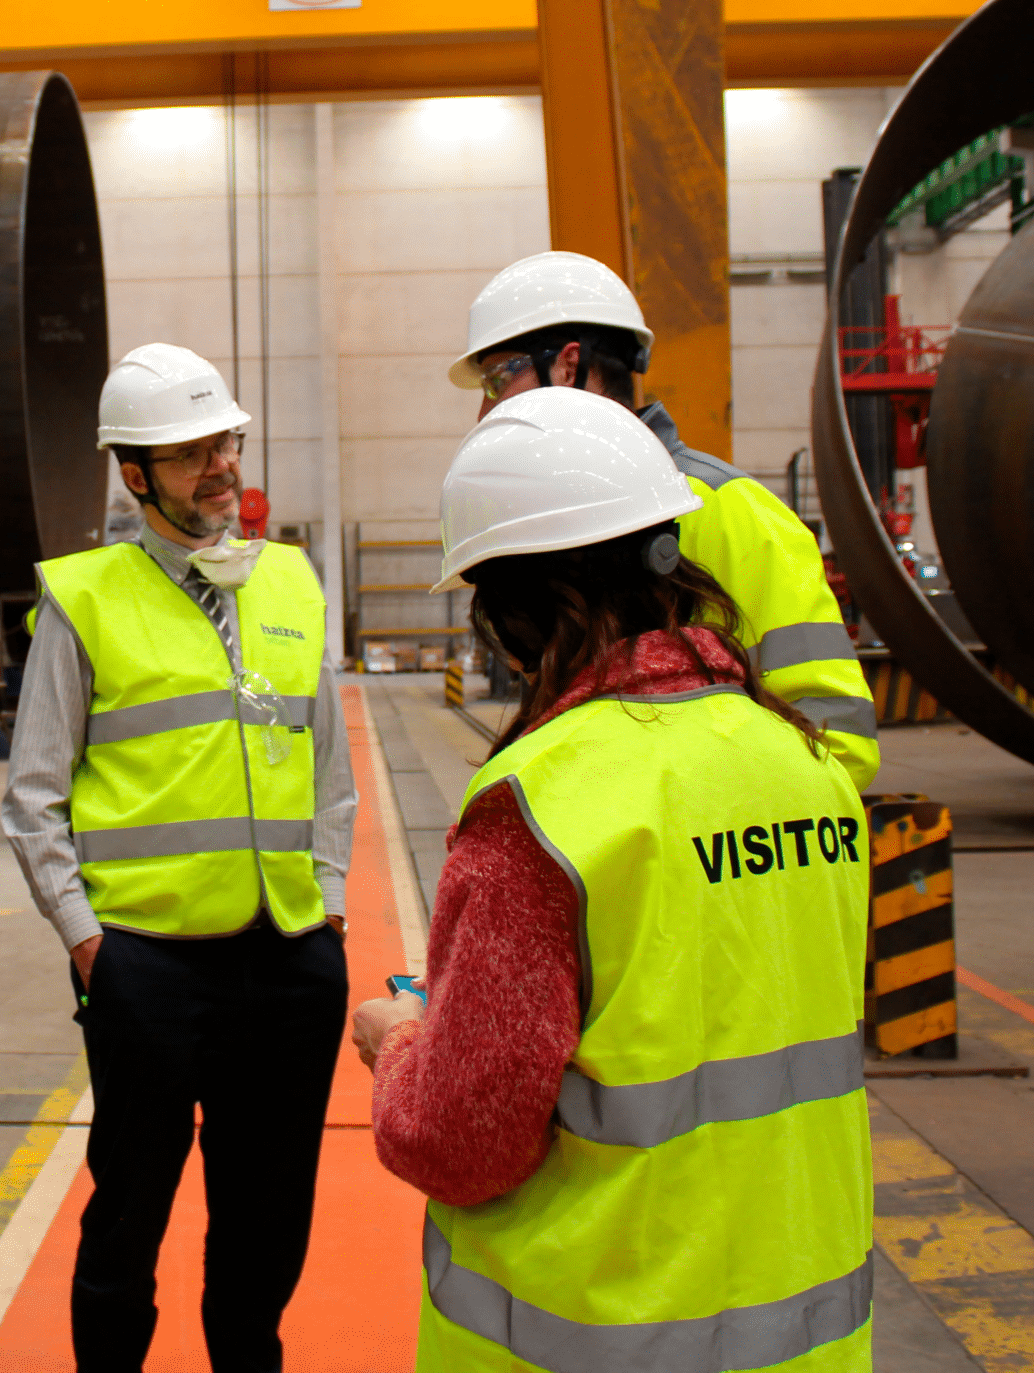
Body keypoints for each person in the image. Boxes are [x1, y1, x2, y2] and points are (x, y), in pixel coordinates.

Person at [351, 385, 874, 1373]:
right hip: (806, 1341)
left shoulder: (539, 807)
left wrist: (403, 1045)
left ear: (516, 603)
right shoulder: (804, 769)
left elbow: (462, 1139)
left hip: (597, 1330)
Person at [1, 342, 356, 1373]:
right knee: (130, 1215)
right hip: (145, 966)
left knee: (267, 1217)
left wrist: (327, 906)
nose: (218, 465)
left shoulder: (290, 583)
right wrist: (86, 942)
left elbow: (326, 768)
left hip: (289, 960)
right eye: (190, 450)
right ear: (133, 472)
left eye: (225, 442)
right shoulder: (84, 598)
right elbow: (33, 797)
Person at [450, 251, 882, 792]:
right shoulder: (556, 525)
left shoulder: (734, 512)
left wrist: (674, 829)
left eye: (496, 380)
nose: (485, 414)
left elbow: (837, 741)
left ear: (567, 364)